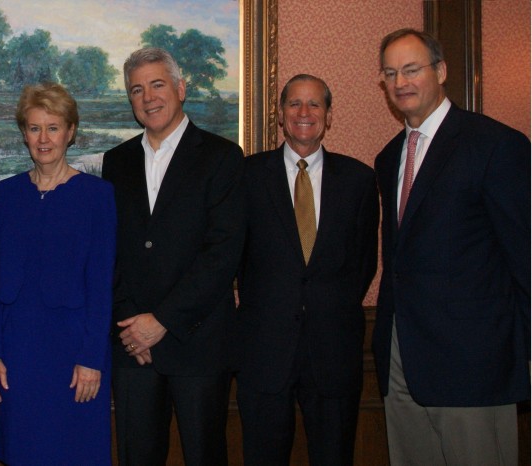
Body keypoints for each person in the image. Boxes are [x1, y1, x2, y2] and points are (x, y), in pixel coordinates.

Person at [372, 28, 530, 465]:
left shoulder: (496, 145)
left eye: (411, 69)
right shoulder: (389, 158)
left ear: (440, 71)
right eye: (390, 73)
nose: (400, 82)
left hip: (473, 365)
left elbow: (526, 258)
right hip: (401, 359)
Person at [101, 47, 245, 465]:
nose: (148, 98)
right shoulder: (117, 161)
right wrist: (132, 324)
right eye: (136, 90)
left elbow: (222, 253)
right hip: (133, 348)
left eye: (158, 85)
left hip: (198, 343)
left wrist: (161, 321)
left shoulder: (222, 157)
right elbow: (111, 250)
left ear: (181, 88)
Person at [235, 74, 378, 465]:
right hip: (263, 352)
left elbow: (364, 262)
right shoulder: (246, 176)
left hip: (334, 350)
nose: (304, 112)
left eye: (315, 104)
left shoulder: (359, 180)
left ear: (328, 116)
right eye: (294, 103)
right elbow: (234, 257)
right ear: (280, 115)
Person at [0, 83, 116, 465]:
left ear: (71, 132)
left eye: (53, 127)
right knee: (23, 452)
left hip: (75, 356)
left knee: (75, 453)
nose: (43, 138)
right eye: (34, 128)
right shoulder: (4, 196)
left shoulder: (97, 196)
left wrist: (92, 358)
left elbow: (101, 285)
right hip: (16, 356)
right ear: (23, 134)